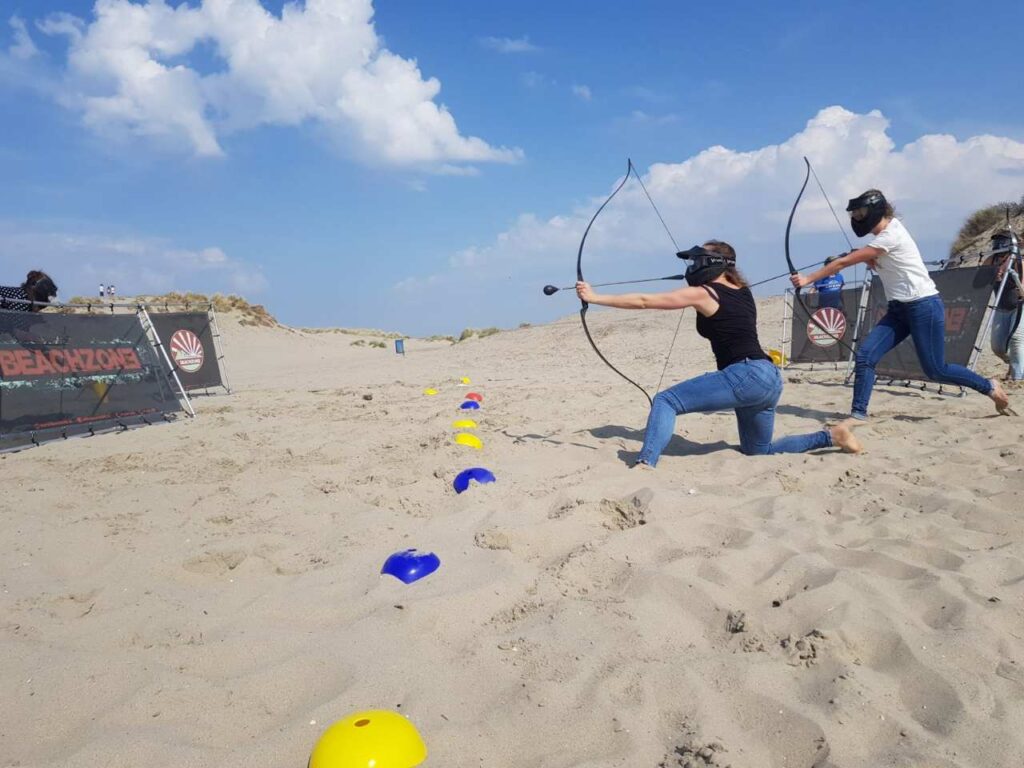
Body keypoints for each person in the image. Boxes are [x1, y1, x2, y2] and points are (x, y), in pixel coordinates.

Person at [576, 240, 863, 468]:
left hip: (746, 374)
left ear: (714, 263)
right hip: (770, 379)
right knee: (758, 451)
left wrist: (595, 297)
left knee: (666, 401)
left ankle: (645, 462)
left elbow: (644, 301)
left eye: (698, 259)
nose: (693, 265)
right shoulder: (743, 290)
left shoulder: (705, 293)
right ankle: (831, 436)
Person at [790, 189, 1012, 418]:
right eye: (854, 214)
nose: (856, 218)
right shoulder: (883, 238)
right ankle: (858, 414)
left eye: (860, 212)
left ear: (874, 210)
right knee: (865, 356)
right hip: (898, 309)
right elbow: (875, 257)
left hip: (923, 306)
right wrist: (872, 259)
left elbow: (842, 263)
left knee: (936, 370)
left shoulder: (891, 235)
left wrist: (808, 279)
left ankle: (989, 386)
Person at [986, 230, 1024, 381]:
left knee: (1016, 340)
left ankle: (1018, 378)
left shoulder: (1019, 261)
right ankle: (1015, 363)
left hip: (1019, 307)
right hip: (1000, 307)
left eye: (1002, 242)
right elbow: (978, 280)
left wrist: (1012, 277)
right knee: (998, 347)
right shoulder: (991, 260)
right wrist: (991, 275)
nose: (998, 245)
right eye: (997, 242)